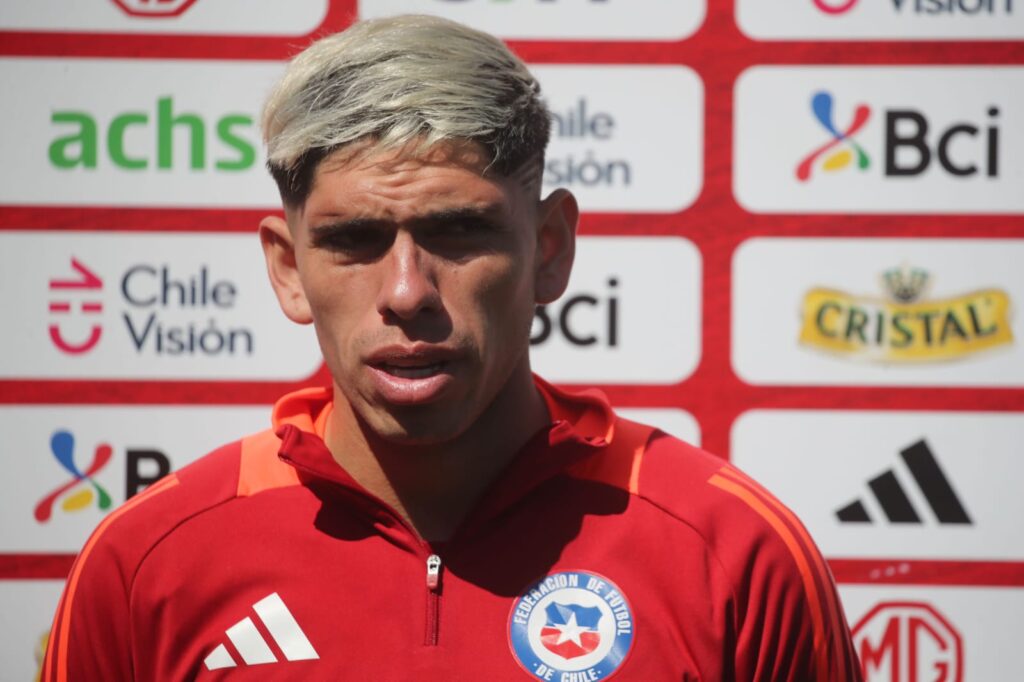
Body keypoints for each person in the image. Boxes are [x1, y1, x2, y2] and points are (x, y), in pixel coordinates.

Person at [42, 14, 861, 681]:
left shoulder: (734, 553)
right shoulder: (147, 564)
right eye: (356, 240)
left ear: (549, 250)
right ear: (289, 271)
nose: (406, 292)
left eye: (458, 231)